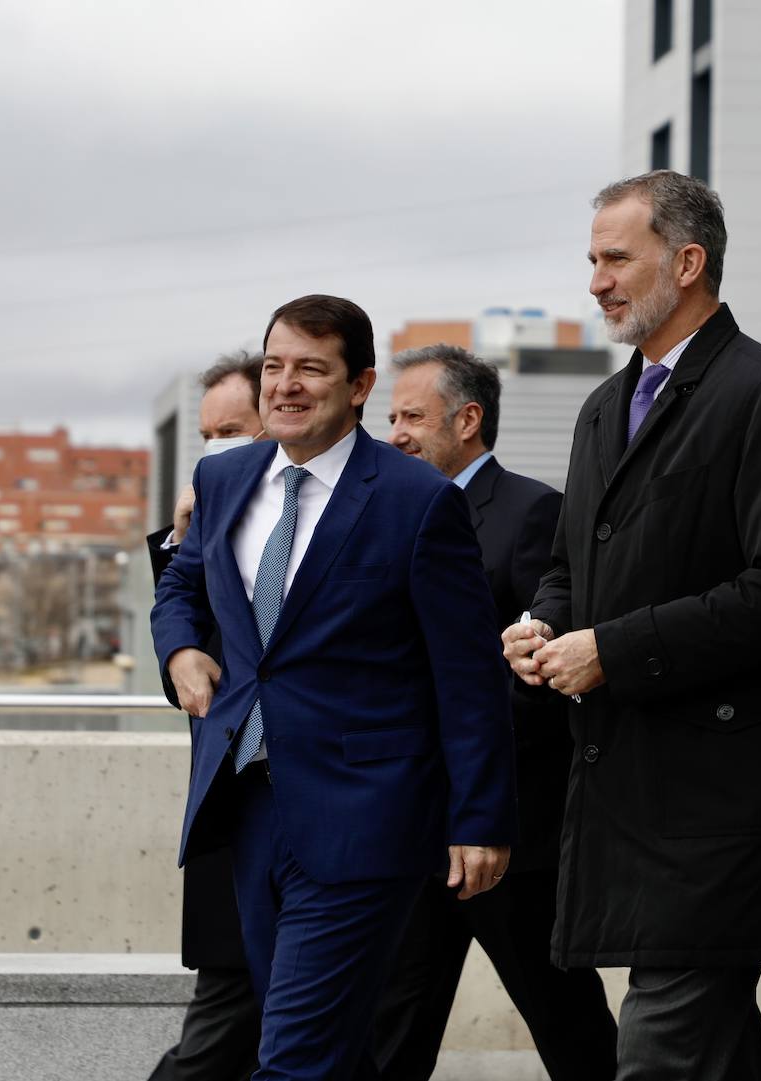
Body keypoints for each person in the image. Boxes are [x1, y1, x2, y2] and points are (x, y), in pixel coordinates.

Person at [501, 170, 761, 1081]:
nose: (596, 281)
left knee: (659, 1051)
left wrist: (610, 649)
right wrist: (542, 625)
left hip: (726, 809)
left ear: (688, 262)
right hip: (634, 792)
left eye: (616, 258)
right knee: (712, 1049)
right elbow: (573, 565)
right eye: (592, 259)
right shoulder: (602, 408)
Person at [151, 294, 517, 1081]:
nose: (286, 384)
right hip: (247, 804)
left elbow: (469, 674)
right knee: (334, 1048)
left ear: (359, 386)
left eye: (311, 368)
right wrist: (181, 650)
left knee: (293, 1058)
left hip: (365, 816)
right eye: (275, 366)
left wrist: (480, 816)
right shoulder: (224, 479)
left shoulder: (418, 501)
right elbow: (179, 585)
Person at [374, 344, 616, 1080]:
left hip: (515, 837)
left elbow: (539, 673)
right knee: (390, 1034)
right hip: (415, 831)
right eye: (391, 417)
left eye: (411, 416)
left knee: (571, 1029)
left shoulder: (530, 511)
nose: (395, 433)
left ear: (469, 419)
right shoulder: (395, 515)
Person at [146, 350, 265, 1081]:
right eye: (207, 435)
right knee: (223, 1030)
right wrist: (185, 538)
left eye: (232, 430)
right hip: (231, 820)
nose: (216, 448)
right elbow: (187, 675)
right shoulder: (206, 534)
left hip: (326, 824)